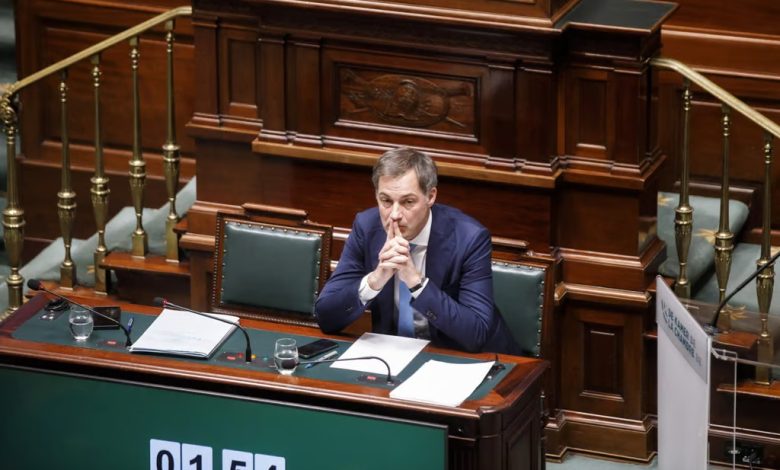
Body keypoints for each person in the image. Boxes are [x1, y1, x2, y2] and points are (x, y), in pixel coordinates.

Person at [315, 147, 522, 354]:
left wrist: (416, 283)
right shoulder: (367, 227)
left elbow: (476, 333)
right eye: (386, 201)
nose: (394, 215)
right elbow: (326, 317)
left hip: (463, 357)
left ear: (430, 196)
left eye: (408, 202)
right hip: (394, 355)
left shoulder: (469, 238)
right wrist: (375, 279)